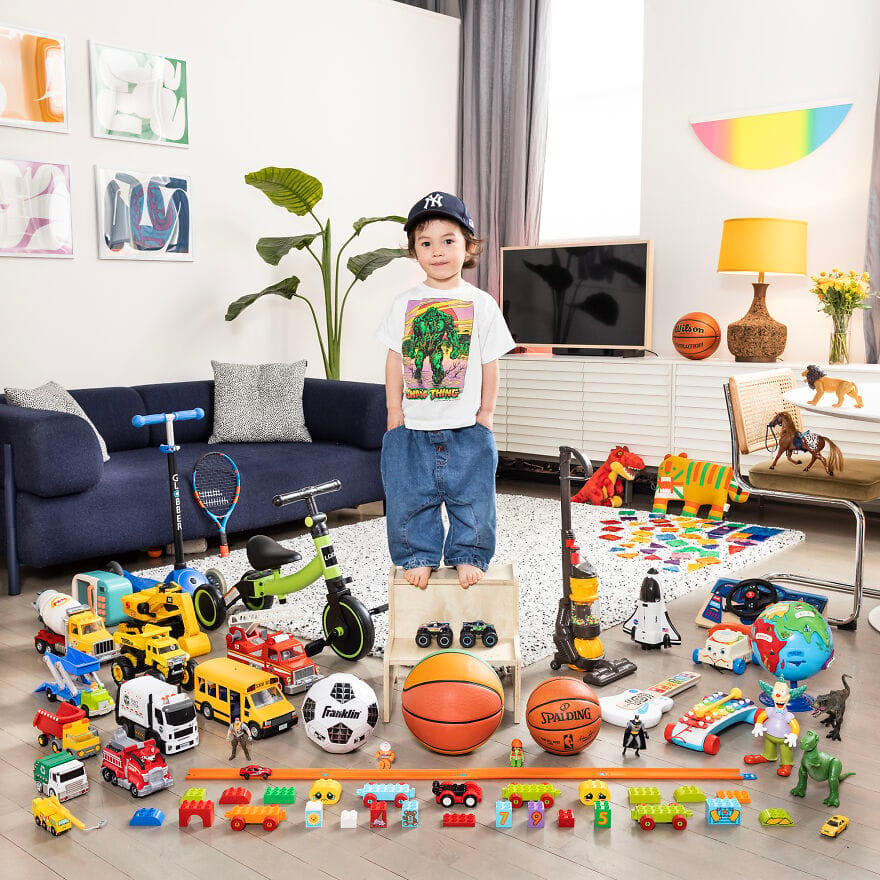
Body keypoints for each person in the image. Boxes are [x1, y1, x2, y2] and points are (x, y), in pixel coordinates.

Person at [376, 191, 514, 589]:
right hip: (411, 427)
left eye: (448, 241)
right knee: (409, 497)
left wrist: (486, 414)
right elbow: (395, 359)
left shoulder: (481, 304)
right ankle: (417, 554)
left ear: (468, 246)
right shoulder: (404, 303)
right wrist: (393, 412)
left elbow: (490, 363)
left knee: (472, 498)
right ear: (415, 252)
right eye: (425, 243)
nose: (437, 252)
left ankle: (468, 553)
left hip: (467, 426)